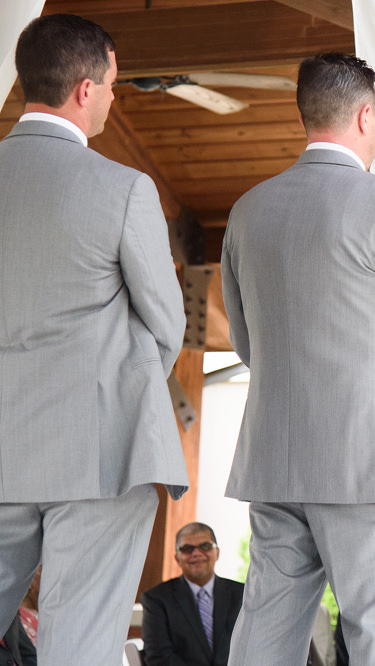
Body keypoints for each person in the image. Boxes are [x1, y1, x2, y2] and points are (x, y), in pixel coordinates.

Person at [221, 52, 375, 666]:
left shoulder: (248, 209)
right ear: (365, 116)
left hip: (276, 456)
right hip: (365, 463)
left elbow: (247, 341)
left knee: (265, 633)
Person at [0, 14, 188, 666]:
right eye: (111, 83)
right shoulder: (122, 188)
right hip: (100, 454)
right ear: (85, 88)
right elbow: (167, 324)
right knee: (78, 647)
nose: (113, 96)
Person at [141, 522, 244, 666]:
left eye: (205, 547)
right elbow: (159, 657)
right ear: (177, 558)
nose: (196, 553)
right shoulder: (156, 600)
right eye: (187, 549)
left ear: (217, 553)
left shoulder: (242, 595)